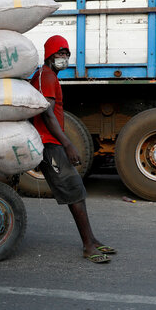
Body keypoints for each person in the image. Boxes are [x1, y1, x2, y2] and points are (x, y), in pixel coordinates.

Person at [30, 35, 116, 264]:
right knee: (75, 192)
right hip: (49, 144)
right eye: (60, 54)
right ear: (49, 55)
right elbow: (47, 114)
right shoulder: (46, 77)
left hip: (52, 142)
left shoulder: (47, 76)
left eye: (67, 54)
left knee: (76, 192)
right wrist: (67, 144)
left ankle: (92, 239)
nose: (64, 58)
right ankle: (89, 246)